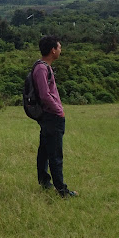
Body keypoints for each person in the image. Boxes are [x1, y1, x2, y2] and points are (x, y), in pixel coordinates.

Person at [33, 35, 78, 198]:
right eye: (59, 47)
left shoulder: (43, 67)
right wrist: (59, 110)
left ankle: (45, 182)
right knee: (55, 154)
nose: (60, 50)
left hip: (49, 116)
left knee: (45, 150)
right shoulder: (42, 69)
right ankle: (62, 191)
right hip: (52, 116)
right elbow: (45, 95)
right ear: (53, 50)